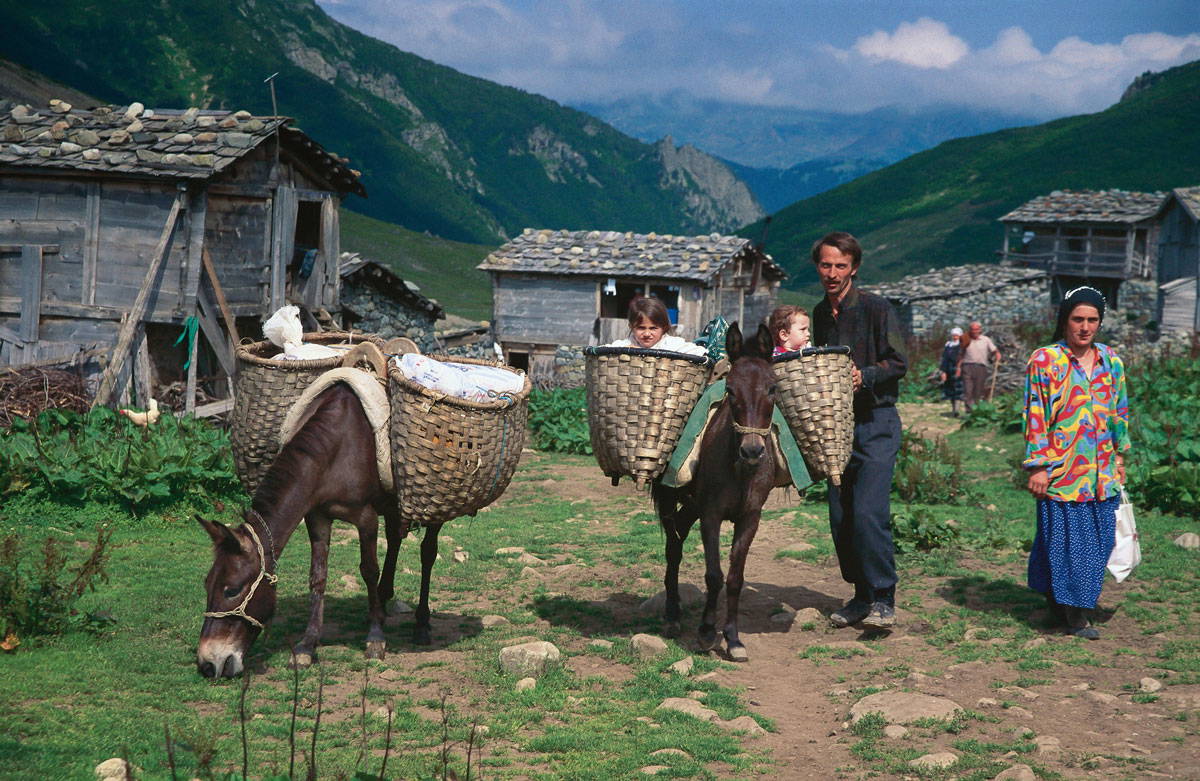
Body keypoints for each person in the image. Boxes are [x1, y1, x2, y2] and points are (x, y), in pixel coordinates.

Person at [810, 232, 907, 629]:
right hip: (837, 427)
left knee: (868, 511)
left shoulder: (877, 308)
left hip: (876, 421)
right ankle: (861, 595)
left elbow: (898, 362)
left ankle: (884, 596)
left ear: (854, 268)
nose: (832, 273)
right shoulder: (819, 313)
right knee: (842, 515)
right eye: (826, 265)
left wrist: (863, 376)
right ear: (818, 267)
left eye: (840, 266)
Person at [1023, 286, 1130, 639]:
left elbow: (1119, 411)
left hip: (1102, 472)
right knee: (1066, 542)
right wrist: (1038, 465)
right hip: (1063, 471)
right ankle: (1075, 614)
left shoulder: (1110, 361)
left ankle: (1063, 601)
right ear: (1065, 320)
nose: (1085, 327)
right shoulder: (1046, 360)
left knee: (1098, 541)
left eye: (1092, 320)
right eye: (1078, 319)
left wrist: (1119, 455)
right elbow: (1035, 414)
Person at [608, 296, 706, 356]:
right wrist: (626, 350)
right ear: (631, 327)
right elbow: (604, 350)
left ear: (664, 328)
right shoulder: (627, 344)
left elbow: (699, 352)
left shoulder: (671, 344)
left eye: (653, 328)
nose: (647, 334)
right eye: (641, 328)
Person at [957, 321, 1001, 411]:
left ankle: (976, 410)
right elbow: (961, 354)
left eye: (976, 329)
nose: (974, 331)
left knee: (978, 390)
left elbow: (994, 350)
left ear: (980, 330)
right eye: (972, 329)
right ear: (970, 330)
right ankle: (969, 410)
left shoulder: (986, 340)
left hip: (981, 367)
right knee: (968, 389)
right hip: (967, 366)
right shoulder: (965, 338)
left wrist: (997, 354)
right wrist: (958, 367)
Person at [938, 326, 965, 417]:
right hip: (949, 369)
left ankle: (957, 410)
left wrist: (959, 368)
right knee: (950, 389)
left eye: (957, 335)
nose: (955, 337)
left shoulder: (962, 345)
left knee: (958, 390)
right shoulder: (948, 345)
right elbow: (944, 359)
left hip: (958, 369)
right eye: (953, 335)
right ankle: (953, 409)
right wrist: (943, 371)